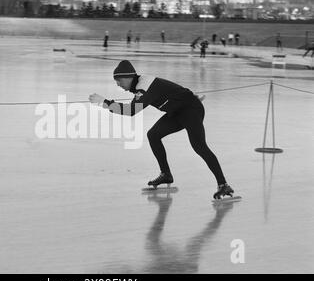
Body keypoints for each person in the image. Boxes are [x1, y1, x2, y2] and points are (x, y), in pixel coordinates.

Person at [88, 60, 234, 200]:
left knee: (199, 147)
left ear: (128, 77)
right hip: (176, 112)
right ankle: (166, 174)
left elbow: (131, 111)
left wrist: (104, 102)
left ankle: (223, 185)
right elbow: (170, 88)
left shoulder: (144, 86)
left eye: (119, 81)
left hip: (191, 110)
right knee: (153, 135)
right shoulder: (140, 84)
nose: (118, 84)